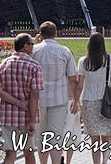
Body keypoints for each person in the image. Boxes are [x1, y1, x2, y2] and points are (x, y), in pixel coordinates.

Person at [0, 33, 43, 164]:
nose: (33, 47)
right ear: (25, 46)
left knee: (10, 154)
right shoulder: (34, 66)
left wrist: (18, 103)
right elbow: (34, 95)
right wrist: (31, 119)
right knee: (29, 153)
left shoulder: (2, 65)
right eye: (31, 44)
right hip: (27, 116)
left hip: (7, 116)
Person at [32, 21, 78, 164]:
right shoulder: (65, 51)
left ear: (41, 33)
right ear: (56, 34)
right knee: (56, 135)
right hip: (59, 99)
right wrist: (76, 100)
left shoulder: (34, 51)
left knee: (41, 135)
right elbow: (72, 78)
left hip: (39, 99)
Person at [74, 33, 111, 164]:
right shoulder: (110, 60)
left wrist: (76, 102)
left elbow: (79, 86)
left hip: (89, 103)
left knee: (94, 139)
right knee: (106, 137)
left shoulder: (84, 61)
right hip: (106, 103)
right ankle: (105, 162)